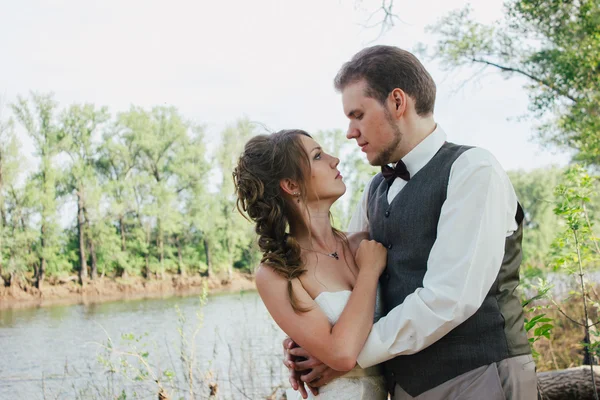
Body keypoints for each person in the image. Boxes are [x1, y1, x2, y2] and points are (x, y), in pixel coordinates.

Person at [283, 45, 538, 399]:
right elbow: (344, 281)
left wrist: (345, 354)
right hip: (404, 389)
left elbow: (449, 299)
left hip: (481, 377)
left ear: (398, 102)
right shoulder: (375, 189)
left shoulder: (473, 170)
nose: (350, 132)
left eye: (358, 114)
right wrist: (310, 336)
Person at [233, 129, 389, 399]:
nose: (335, 160)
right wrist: (370, 272)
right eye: (318, 156)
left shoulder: (362, 243)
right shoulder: (277, 274)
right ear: (292, 185)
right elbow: (341, 354)